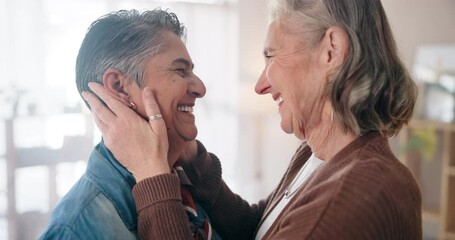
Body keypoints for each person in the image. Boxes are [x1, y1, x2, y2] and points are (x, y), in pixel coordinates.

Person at [84, 0, 422, 239]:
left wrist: (151, 174)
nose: (261, 84)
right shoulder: (319, 156)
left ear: (330, 50)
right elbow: (260, 229)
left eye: (271, 55)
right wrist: (194, 160)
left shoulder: (350, 197)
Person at [40, 9, 221, 239]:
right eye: (180, 70)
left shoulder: (186, 181)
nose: (200, 88)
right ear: (119, 87)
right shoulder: (76, 228)